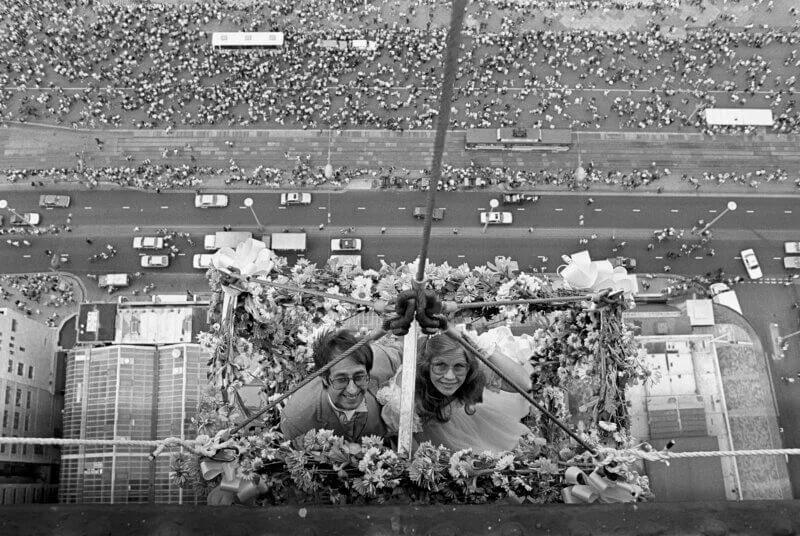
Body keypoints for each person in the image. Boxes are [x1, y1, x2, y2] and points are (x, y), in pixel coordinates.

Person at [378, 329, 533, 452]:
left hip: (466, 421)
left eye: (459, 366)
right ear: (426, 365)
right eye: (440, 366)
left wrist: (478, 345)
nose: (450, 377)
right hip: (424, 441)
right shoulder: (405, 392)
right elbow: (410, 453)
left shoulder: (471, 368)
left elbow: (523, 385)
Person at [280, 329, 402, 447]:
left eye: (359, 377)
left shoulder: (381, 361)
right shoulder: (296, 422)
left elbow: (408, 354)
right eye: (341, 380)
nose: (352, 390)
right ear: (324, 378)